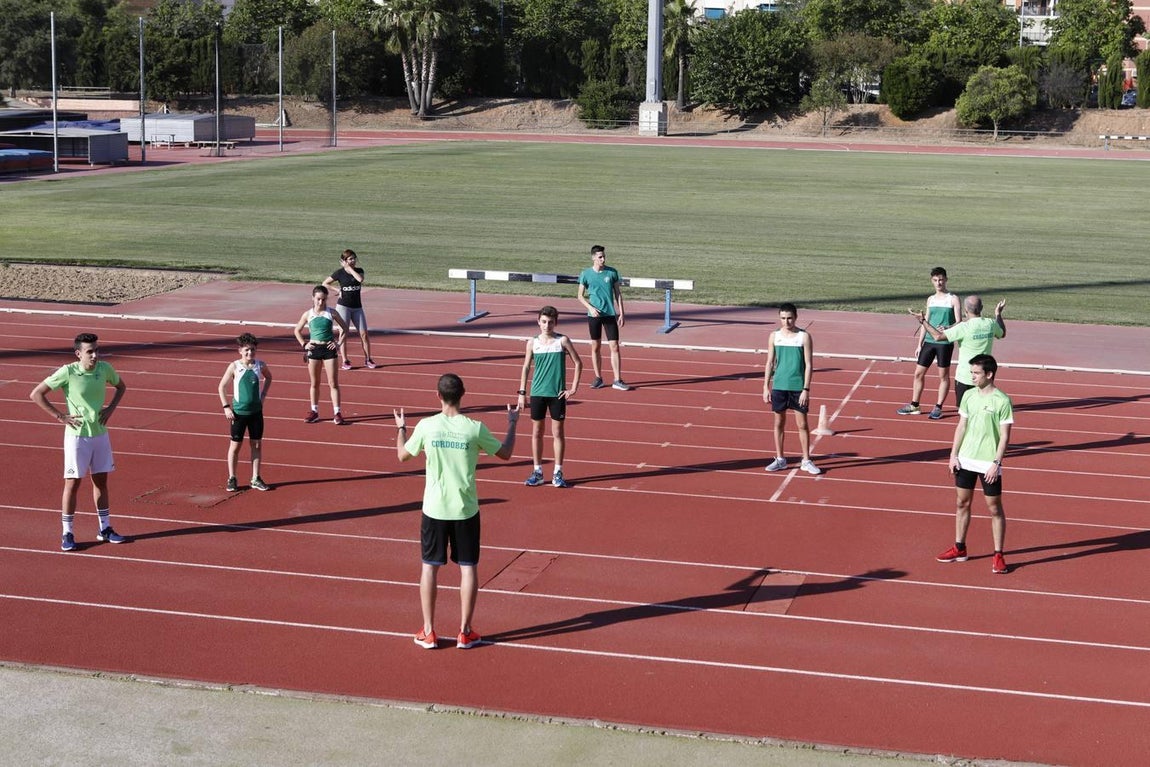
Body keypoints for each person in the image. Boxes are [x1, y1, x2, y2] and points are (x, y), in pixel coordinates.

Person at [395, 373, 518, 650]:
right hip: (465, 509)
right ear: (464, 394)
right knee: (468, 568)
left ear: (438, 396)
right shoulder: (474, 428)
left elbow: (403, 455)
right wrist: (512, 424)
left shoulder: (427, 426)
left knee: (429, 567)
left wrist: (401, 429)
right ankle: (465, 631)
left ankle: (428, 631)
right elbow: (506, 453)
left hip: (434, 508)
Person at [30, 332, 129, 551]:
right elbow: (37, 394)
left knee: (101, 482)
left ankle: (105, 528)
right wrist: (60, 416)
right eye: (89, 351)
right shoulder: (68, 371)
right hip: (77, 437)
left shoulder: (105, 369)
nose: (94, 355)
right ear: (78, 354)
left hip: (100, 434)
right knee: (72, 483)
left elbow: (121, 387)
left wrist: (111, 408)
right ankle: (67, 532)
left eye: (96, 350)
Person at [936, 354, 1013, 574]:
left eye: (976, 373)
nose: (973, 377)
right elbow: (961, 426)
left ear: (989, 374)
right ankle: (959, 547)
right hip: (966, 459)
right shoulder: (969, 395)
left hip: (988, 462)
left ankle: (998, 554)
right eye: (971, 373)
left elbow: (1005, 436)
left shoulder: (1002, 400)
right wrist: (953, 454)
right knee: (961, 503)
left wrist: (996, 463)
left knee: (994, 508)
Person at [518, 305, 583, 488]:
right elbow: (526, 367)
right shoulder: (532, 343)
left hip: (557, 395)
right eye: (544, 322)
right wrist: (522, 393)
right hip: (537, 393)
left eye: (550, 322)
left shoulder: (562, 341)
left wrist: (573, 389)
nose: (547, 326)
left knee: (557, 433)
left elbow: (578, 363)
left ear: (556, 323)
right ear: (538, 321)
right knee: (536, 433)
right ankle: (537, 471)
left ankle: (557, 472)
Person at [911, 295, 1006, 408]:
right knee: (982, 409)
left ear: (965, 311)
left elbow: (937, 337)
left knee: (964, 412)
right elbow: (1002, 333)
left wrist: (923, 321)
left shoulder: (963, 327)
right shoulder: (990, 324)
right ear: (982, 308)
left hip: (965, 377)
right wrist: (998, 314)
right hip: (985, 376)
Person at [896, 266, 961, 420]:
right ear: (932, 281)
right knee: (918, 373)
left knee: (943, 376)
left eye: (941, 279)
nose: (938, 283)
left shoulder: (953, 299)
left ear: (946, 279)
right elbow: (925, 323)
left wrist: (947, 327)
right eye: (935, 280)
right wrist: (919, 344)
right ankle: (914, 405)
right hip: (929, 342)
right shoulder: (930, 299)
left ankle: (938, 407)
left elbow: (959, 321)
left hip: (944, 343)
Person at [763, 303, 821, 475]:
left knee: (802, 425)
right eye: (783, 318)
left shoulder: (804, 337)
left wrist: (806, 389)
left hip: (797, 387)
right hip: (779, 386)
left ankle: (806, 460)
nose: (786, 321)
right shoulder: (774, 336)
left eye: (789, 318)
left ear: (795, 317)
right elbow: (770, 362)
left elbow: (809, 364)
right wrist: (766, 387)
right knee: (778, 423)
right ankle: (780, 459)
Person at [218, 332, 273, 492]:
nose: (250, 353)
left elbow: (269, 378)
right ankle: (232, 478)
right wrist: (226, 407)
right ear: (240, 350)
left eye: (253, 350)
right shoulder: (234, 366)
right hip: (239, 414)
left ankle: (255, 478)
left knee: (256, 445)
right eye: (247, 350)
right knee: (235, 446)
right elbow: (221, 387)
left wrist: (263, 396)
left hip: (256, 413)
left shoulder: (260, 365)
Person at [577, 244, 631, 391]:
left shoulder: (612, 272)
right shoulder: (586, 274)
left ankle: (617, 380)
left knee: (615, 347)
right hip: (594, 316)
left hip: (610, 314)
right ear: (593, 257)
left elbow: (618, 294)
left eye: (604, 256)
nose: (603, 259)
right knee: (596, 347)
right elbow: (579, 296)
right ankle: (598, 378)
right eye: (600, 256)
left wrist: (622, 313)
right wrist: (590, 308)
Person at [294, 285, 350, 424]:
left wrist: (338, 344)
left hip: (328, 349)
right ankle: (314, 411)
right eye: (318, 299)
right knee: (315, 383)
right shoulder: (308, 314)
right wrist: (304, 344)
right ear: (313, 298)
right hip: (314, 349)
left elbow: (345, 328)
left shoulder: (332, 313)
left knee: (333, 383)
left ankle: (337, 413)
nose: (321, 302)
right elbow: (297, 331)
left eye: (324, 300)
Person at [322, 248, 377, 370]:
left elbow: (360, 279)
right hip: (343, 307)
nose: (353, 261)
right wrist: (337, 290)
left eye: (354, 258)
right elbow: (324, 283)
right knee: (343, 333)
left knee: (364, 334)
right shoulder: (339, 273)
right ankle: (345, 360)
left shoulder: (359, 271)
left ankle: (368, 359)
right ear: (344, 260)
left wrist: (350, 268)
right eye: (350, 259)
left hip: (357, 307)